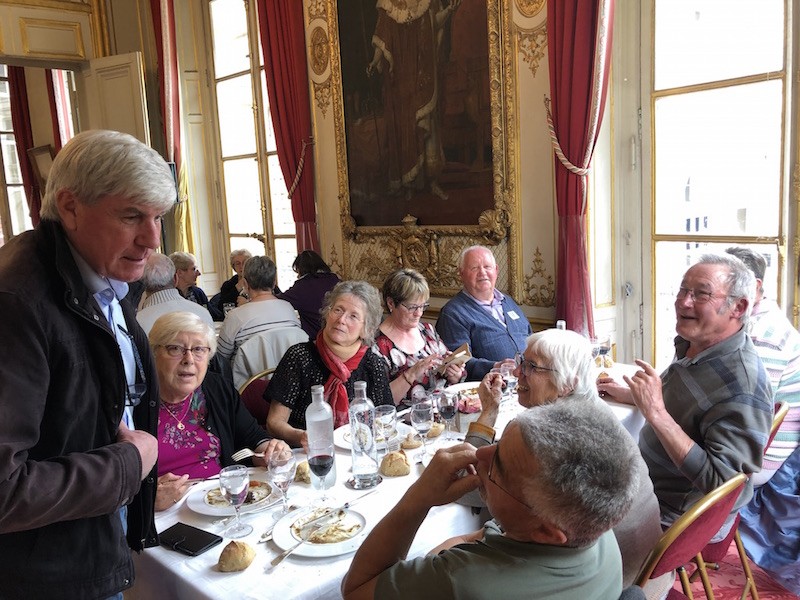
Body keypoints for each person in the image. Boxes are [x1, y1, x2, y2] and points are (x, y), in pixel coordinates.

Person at [0, 129, 174, 598]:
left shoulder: (107, 275)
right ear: (71, 207)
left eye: (158, 217)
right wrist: (127, 464)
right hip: (46, 575)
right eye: (132, 215)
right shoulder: (17, 301)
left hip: (91, 536)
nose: (152, 238)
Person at [341, 401, 641, 600]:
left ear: (547, 531)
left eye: (500, 467)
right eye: (497, 442)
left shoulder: (463, 581)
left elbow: (355, 590)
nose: (480, 454)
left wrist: (418, 499)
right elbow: (484, 536)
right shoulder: (592, 525)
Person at [463, 328, 669, 593]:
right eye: (520, 362)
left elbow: (467, 486)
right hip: (645, 566)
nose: (516, 373)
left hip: (604, 581)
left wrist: (488, 414)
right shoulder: (598, 414)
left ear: (569, 382)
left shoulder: (543, 437)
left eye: (531, 367)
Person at [597, 253, 773, 536]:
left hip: (666, 512)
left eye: (701, 294)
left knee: (550, 500)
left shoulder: (742, 384)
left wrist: (656, 413)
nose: (683, 301)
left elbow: (725, 488)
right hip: (643, 480)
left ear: (738, 307)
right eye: (683, 290)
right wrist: (635, 395)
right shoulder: (697, 345)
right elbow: (684, 402)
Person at [147, 312, 288, 511]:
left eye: (198, 350)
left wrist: (272, 450)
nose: (189, 359)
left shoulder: (217, 388)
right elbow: (114, 482)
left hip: (222, 503)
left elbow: (253, 437)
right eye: (175, 349)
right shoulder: (133, 405)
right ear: (154, 353)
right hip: (164, 515)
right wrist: (146, 500)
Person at [266, 280, 394, 449]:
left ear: (367, 329)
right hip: (308, 453)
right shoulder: (300, 357)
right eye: (338, 310)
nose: (341, 320)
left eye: (353, 316)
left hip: (358, 451)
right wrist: (300, 436)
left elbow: (384, 420)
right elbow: (274, 422)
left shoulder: (372, 364)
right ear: (327, 313)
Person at [366, 0, 462, 200]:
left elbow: (434, 23)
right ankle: (409, 184)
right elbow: (383, 36)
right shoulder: (389, 5)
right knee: (405, 127)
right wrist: (375, 61)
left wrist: (449, 11)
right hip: (401, 80)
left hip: (422, 74)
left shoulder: (427, 2)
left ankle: (433, 181)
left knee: (427, 123)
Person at [726, 246, 800, 485]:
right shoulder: (754, 321)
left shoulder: (764, 335)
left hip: (762, 459)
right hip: (755, 444)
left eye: (730, 285)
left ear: (755, 287)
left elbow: (750, 413)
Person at [436, 245, 531, 380]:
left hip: (526, 380)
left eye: (487, 267)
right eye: (474, 268)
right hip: (490, 387)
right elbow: (456, 362)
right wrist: (494, 366)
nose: (482, 273)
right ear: (461, 274)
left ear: (496, 270)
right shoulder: (453, 313)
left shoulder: (508, 302)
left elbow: (529, 335)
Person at [374, 268, 465, 405]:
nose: (419, 313)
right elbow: (381, 402)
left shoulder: (427, 330)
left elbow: (450, 373)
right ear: (391, 303)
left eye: (423, 306)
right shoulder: (378, 345)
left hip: (447, 407)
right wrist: (411, 374)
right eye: (412, 307)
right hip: (411, 419)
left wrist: (455, 374)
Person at [216, 255, 302, 362]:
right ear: (274, 282)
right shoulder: (288, 309)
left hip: (250, 378)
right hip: (289, 375)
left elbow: (221, 357)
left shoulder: (235, 316)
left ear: (246, 284)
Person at [136, 252, 213, 334]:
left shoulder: (138, 322)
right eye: (193, 269)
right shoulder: (202, 313)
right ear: (176, 278)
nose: (199, 273)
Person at [278, 249, 340, 339]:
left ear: (301, 269)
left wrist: (272, 288)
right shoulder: (334, 279)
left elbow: (280, 301)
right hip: (337, 335)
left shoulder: (303, 286)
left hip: (315, 341)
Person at [169, 251, 222, 321]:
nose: (199, 273)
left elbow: (214, 315)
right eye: (194, 269)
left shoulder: (198, 293)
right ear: (180, 273)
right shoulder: (169, 296)